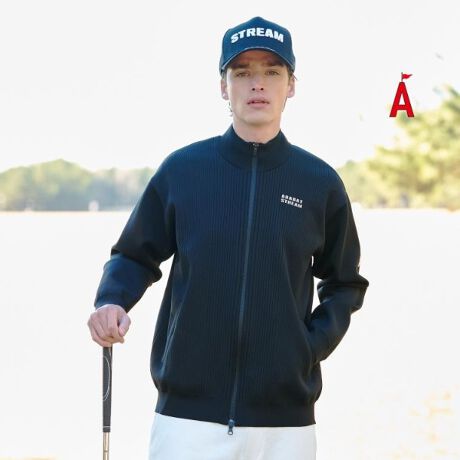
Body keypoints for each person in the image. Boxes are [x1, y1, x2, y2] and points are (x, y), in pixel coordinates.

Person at [87, 16, 369, 460]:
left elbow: (344, 283)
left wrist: (306, 349)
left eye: (272, 71)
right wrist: (111, 300)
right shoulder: (183, 171)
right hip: (186, 420)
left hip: (285, 423)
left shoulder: (319, 183)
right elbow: (134, 256)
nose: (257, 84)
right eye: (242, 72)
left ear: (291, 86)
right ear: (224, 86)